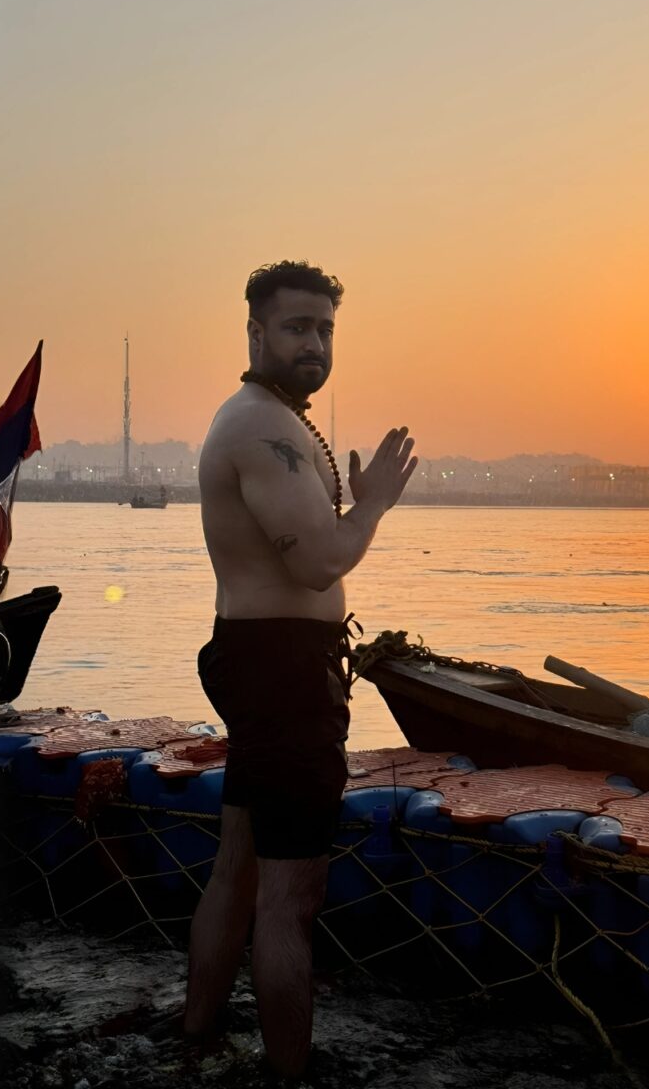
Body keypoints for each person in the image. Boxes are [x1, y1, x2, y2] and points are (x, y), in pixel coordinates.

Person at [183, 260, 418, 1079]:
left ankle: (197, 1032)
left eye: (324, 329)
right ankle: (289, 1075)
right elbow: (319, 564)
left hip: (262, 661)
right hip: (283, 671)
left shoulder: (274, 421)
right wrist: (376, 504)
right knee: (292, 896)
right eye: (295, 327)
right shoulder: (260, 430)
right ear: (255, 333)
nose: (313, 343)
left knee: (239, 868)